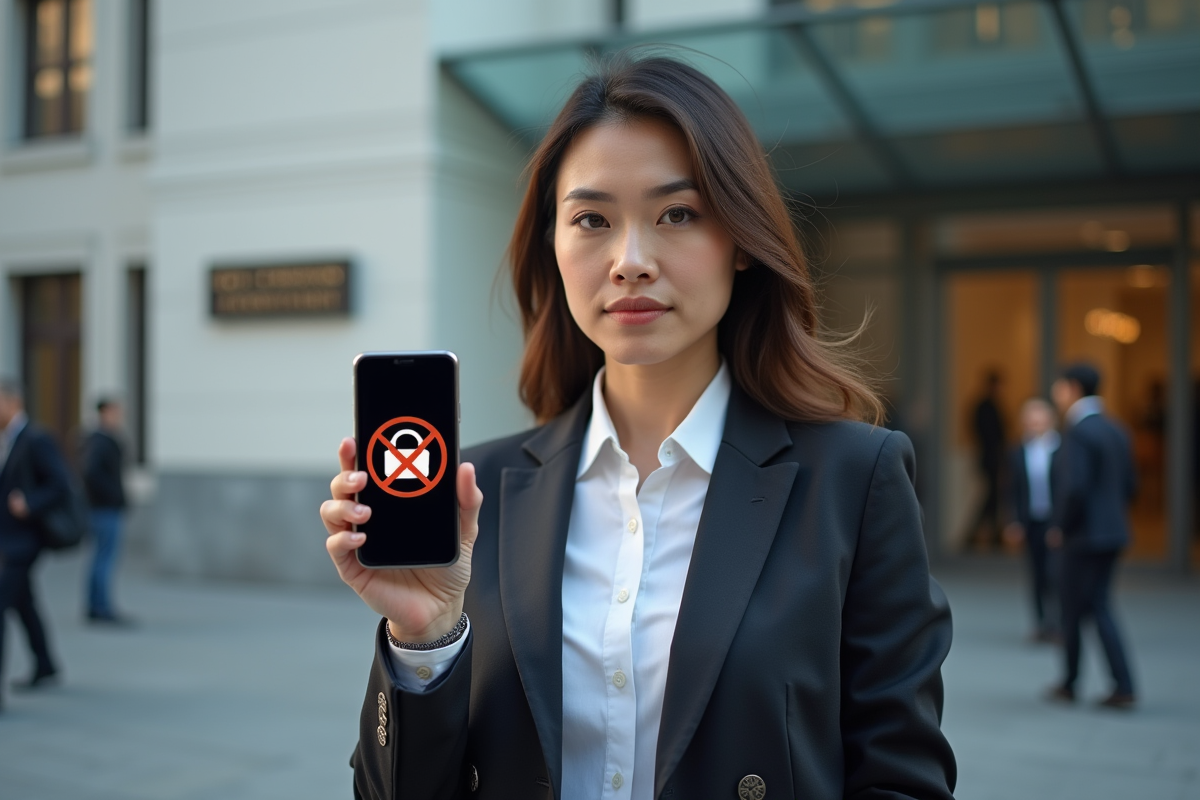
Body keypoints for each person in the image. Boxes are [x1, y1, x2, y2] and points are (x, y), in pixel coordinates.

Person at [321, 55, 956, 799]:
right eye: (591, 219)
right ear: (552, 248)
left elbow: (901, 778)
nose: (629, 261)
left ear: (742, 239)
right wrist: (422, 640)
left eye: (677, 214)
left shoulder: (854, 480)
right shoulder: (475, 496)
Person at [1047, 363, 1137, 710]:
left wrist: (1060, 527)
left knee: (1074, 608)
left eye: (1058, 387)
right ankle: (1122, 684)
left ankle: (1071, 683)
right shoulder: (1117, 429)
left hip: (1082, 536)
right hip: (1111, 532)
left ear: (1071, 388)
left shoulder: (1078, 431)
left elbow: (1075, 488)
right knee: (1100, 604)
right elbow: (1130, 485)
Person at [0, 378, 68, 707]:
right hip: (8, 540)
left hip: (23, 542)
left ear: (12, 402)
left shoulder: (36, 439)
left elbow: (60, 484)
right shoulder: (7, 440)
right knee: (24, 603)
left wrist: (30, 502)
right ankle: (46, 663)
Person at [1003, 398, 1060, 642]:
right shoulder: (1017, 452)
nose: (1034, 425)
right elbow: (1012, 489)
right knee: (1036, 575)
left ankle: (1059, 624)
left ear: (1050, 421)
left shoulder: (1063, 448)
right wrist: (1014, 521)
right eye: (1030, 420)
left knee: (1056, 574)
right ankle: (1041, 624)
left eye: (1039, 420)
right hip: (1032, 522)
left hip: (1057, 522)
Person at [81, 397, 131, 624]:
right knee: (105, 558)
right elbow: (92, 474)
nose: (119, 416)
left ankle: (96, 605)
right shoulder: (100, 441)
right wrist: (113, 495)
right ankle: (101, 607)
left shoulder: (99, 439)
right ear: (105, 412)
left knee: (100, 557)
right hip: (104, 508)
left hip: (102, 506)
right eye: (116, 411)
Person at [968, 369, 1007, 550]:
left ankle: (988, 535)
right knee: (991, 497)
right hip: (990, 458)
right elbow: (991, 435)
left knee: (993, 497)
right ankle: (978, 535)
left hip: (992, 458)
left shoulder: (989, 405)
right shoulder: (986, 406)